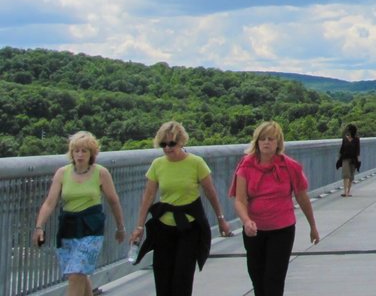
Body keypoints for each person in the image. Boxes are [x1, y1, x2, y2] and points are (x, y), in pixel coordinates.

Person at [129, 121, 233, 296]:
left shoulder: (196, 163)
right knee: (163, 276)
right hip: (164, 226)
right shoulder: (157, 164)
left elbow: (210, 193)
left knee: (182, 278)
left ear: (181, 142)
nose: (168, 148)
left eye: (172, 144)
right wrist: (139, 227)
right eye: (163, 144)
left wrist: (221, 219)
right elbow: (148, 197)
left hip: (189, 227)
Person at [231, 121, 320, 296]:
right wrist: (246, 221)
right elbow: (240, 200)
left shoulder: (290, 166)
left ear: (278, 142)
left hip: (282, 229)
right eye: (262, 139)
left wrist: (313, 226)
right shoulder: (246, 165)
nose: (266, 143)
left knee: (274, 278)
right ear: (256, 142)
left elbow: (302, 197)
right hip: (254, 230)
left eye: (270, 139)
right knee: (257, 277)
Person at [33, 131, 127, 296]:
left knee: (77, 272)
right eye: (76, 150)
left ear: (91, 153)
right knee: (77, 273)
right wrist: (39, 227)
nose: (80, 154)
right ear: (71, 153)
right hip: (68, 227)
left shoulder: (101, 173)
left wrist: (120, 227)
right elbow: (49, 203)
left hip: (91, 228)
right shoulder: (62, 173)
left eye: (84, 151)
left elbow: (113, 201)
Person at [335, 124, 360, 197]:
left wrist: (358, 161)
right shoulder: (344, 139)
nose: (348, 132)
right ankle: (345, 191)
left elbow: (358, 150)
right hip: (345, 158)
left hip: (353, 159)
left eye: (349, 130)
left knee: (351, 176)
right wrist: (339, 159)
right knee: (346, 175)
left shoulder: (356, 139)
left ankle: (348, 191)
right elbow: (341, 149)